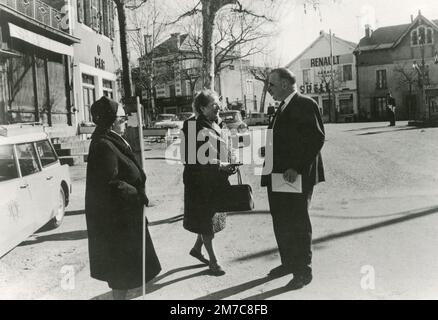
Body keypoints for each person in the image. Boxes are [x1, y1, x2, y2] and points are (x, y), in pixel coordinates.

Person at [85, 96, 161, 300]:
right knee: (121, 273)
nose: (125, 121)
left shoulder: (111, 138)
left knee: (125, 272)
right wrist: (140, 196)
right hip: (118, 221)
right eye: (121, 118)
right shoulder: (103, 145)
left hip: (125, 216)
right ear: (111, 120)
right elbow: (111, 183)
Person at [261, 68, 325, 290]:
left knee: (297, 221)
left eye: (272, 84)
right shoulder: (282, 107)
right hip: (279, 174)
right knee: (281, 219)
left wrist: (296, 167)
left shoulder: (305, 104)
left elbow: (316, 138)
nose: (268, 89)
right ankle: (288, 263)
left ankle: (303, 271)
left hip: (295, 175)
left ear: (286, 84)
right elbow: (287, 139)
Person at [180, 89, 238, 276]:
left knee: (209, 219)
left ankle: (197, 249)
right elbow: (189, 159)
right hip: (200, 183)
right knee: (207, 222)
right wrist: (219, 165)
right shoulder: (191, 127)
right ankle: (213, 262)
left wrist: (233, 161)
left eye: (219, 103)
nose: (219, 107)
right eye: (214, 104)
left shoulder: (218, 122)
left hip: (216, 180)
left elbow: (228, 146)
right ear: (202, 108)